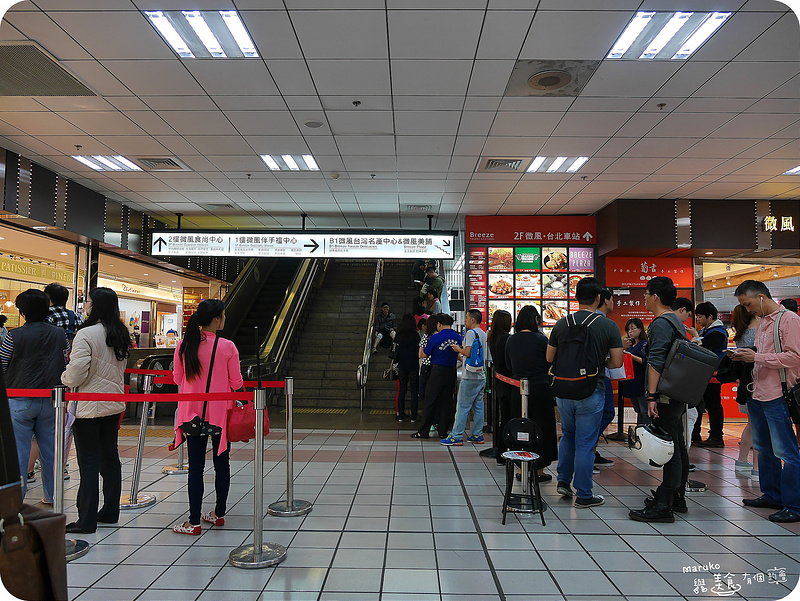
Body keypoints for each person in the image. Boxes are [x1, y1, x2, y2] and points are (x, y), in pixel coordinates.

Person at [547, 277, 623, 508]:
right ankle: (584, 493)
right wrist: (600, 364)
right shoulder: (607, 325)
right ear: (599, 298)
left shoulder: (561, 323)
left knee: (568, 435)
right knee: (586, 442)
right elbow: (617, 362)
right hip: (592, 390)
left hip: (563, 390)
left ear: (576, 296)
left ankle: (562, 480)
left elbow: (549, 358)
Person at [171, 299, 244, 535]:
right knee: (222, 464)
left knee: (196, 467)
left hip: (191, 413)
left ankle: (193, 522)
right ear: (216, 319)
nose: (224, 319)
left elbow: (177, 379)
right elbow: (236, 383)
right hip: (219, 414)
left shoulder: (184, 345)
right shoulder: (228, 347)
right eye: (223, 315)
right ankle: (219, 513)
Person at [61, 287, 128, 534]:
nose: (85, 305)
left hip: (89, 407)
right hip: (113, 405)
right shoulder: (120, 332)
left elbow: (77, 371)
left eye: (87, 301)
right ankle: (110, 511)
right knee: (110, 458)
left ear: (95, 305)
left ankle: (86, 520)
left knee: (88, 462)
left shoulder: (86, 334)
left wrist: (65, 377)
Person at [733, 280, 800, 523]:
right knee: (764, 448)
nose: (747, 309)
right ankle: (772, 494)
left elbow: (795, 357)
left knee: (787, 450)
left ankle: (794, 504)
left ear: (761, 296)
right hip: (758, 393)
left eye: (748, 304)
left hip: (778, 394)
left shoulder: (789, 320)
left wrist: (757, 356)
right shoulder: (762, 323)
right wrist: (747, 357)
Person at [629, 276, 690, 523]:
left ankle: (664, 505)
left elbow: (656, 361)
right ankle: (676, 496)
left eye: (645, 293)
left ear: (655, 296)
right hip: (676, 392)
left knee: (670, 448)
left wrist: (652, 396)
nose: (643, 298)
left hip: (665, 394)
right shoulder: (675, 321)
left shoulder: (661, 323)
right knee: (677, 445)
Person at [1, 289, 68, 505]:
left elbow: (2, 365)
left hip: (18, 398)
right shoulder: (59, 335)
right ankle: (52, 496)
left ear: (22, 312)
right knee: (51, 452)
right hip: (51, 399)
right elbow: (67, 363)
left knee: (18, 454)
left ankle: (16, 501)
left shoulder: (13, 336)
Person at [506, 305, 557, 481]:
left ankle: (521, 469)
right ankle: (539, 470)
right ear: (535, 320)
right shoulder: (542, 340)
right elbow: (549, 363)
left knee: (521, 428)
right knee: (542, 428)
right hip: (540, 388)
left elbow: (508, 366)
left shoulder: (511, 340)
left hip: (517, 388)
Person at [441, 309, 487, 446]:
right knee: (478, 406)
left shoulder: (471, 333)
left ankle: (456, 436)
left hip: (470, 376)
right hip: (481, 375)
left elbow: (468, 351)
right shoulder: (484, 334)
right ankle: (477, 434)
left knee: (462, 406)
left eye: (466, 317)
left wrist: (457, 349)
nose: (465, 320)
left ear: (473, 319)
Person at [411, 313, 460, 440]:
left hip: (437, 371)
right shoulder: (457, 337)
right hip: (452, 372)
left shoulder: (435, 337)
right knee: (446, 401)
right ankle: (443, 431)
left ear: (439, 324)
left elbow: (425, 354)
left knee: (430, 400)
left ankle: (423, 431)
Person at [693, 301, 728, 448]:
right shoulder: (707, 331)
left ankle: (716, 436)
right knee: (701, 405)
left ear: (710, 316)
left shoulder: (718, 332)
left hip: (712, 376)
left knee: (713, 405)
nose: (698, 320)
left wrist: (695, 337)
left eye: (700, 317)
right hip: (704, 374)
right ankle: (696, 434)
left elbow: (706, 350)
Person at [731, 304, 759, 479]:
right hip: (758, 384)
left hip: (745, 385)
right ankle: (757, 468)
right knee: (759, 427)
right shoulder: (757, 331)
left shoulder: (740, 335)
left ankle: (742, 460)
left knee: (751, 424)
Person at [593, 288, 616, 468]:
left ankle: (590, 450)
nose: (613, 303)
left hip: (585, 377)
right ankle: (589, 448)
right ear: (604, 300)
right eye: (612, 299)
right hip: (601, 375)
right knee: (606, 412)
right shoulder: (604, 323)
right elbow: (614, 361)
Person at [488, 310, 513, 464]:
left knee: (504, 417)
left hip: (500, 382)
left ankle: (501, 451)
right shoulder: (507, 339)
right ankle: (506, 450)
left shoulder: (493, 338)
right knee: (509, 417)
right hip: (510, 382)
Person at [622, 318, 650, 426]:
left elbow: (645, 361)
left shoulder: (644, 344)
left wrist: (630, 356)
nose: (630, 332)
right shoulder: (629, 345)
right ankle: (639, 431)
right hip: (631, 380)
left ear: (640, 329)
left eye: (633, 328)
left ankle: (646, 431)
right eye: (628, 330)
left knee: (644, 410)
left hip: (641, 380)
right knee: (638, 410)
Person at [394, 314, 420, 422]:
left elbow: (395, 351)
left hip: (402, 365)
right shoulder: (416, 335)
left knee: (402, 390)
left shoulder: (399, 335)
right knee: (414, 391)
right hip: (413, 365)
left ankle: (400, 414)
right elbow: (417, 351)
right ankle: (414, 415)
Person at [417, 316, 434, 425]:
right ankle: (434, 420)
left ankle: (427, 418)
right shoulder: (438, 336)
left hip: (426, 368)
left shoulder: (426, 336)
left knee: (424, 394)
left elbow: (420, 355)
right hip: (437, 367)